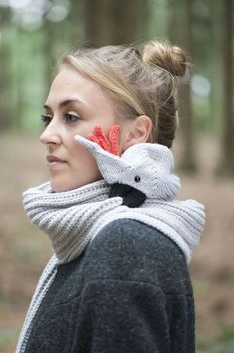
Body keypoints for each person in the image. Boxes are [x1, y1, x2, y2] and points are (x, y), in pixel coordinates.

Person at [15, 40, 205, 353]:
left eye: (72, 117)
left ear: (136, 133)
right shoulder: (91, 235)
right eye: (48, 117)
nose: (46, 135)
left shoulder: (125, 245)